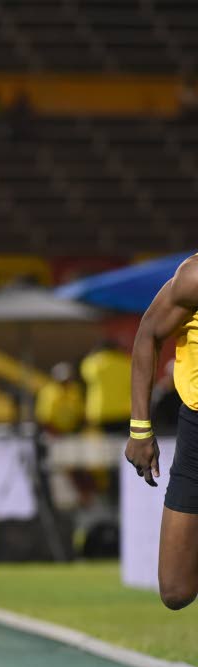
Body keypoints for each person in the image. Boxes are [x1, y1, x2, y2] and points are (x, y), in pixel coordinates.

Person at [126, 254, 198, 611]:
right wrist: (140, 429)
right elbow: (149, 333)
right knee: (175, 589)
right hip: (197, 434)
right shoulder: (194, 277)